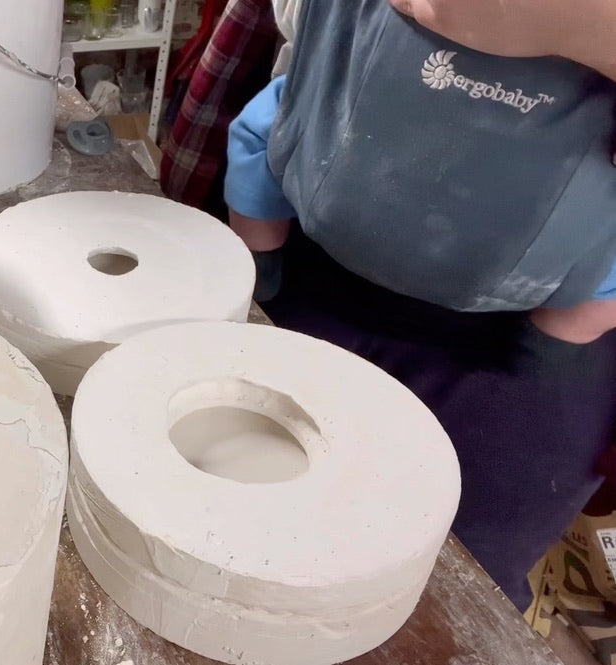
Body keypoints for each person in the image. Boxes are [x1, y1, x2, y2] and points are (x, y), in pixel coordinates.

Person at [224, 0, 616, 610]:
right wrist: (257, 263)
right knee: (254, 514)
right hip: (325, 267)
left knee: (458, 585)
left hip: (524, 343)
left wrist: (579, 26)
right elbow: (278, 114)